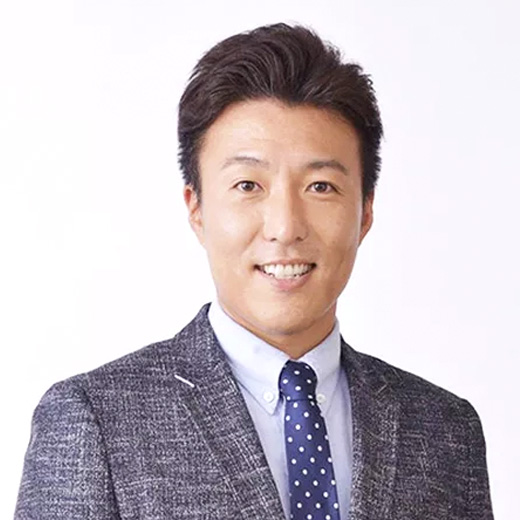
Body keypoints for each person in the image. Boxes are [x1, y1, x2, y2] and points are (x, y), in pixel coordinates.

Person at [15, 23, 493, 520]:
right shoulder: (94, 421)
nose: (285, 228)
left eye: (321, 186)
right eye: (248, 185)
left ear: (365, 211)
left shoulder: (445, 430)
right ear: (196, 207)